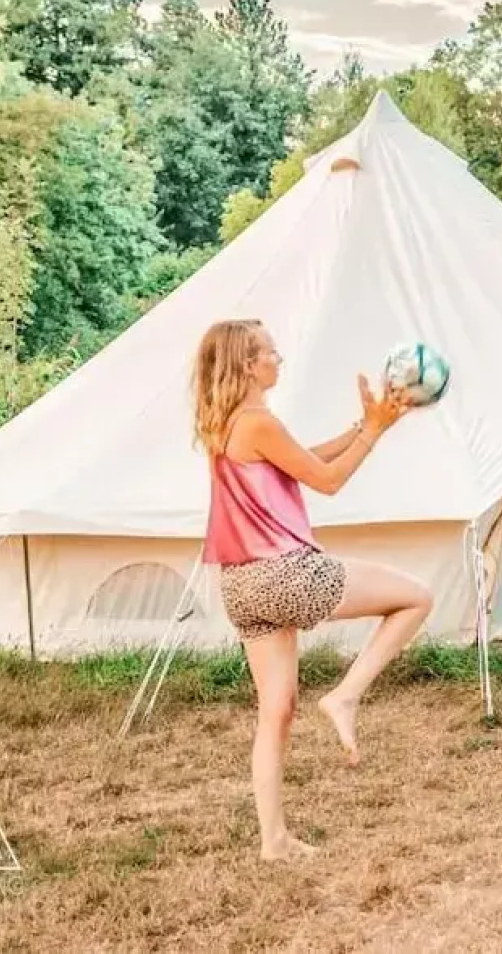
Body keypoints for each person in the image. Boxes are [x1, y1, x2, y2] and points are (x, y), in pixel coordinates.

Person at [193, 319, 436, 861]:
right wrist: (373, 432)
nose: (279, 359)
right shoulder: (257, 420)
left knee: (275, 712)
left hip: (241, 585)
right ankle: (345, 696)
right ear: (248, 365)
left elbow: (302, 459)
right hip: (284, 574)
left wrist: (366, 425)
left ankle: (274, 840)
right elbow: (327, 480)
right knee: (416, 597)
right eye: (271, 352)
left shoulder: (226, 422)